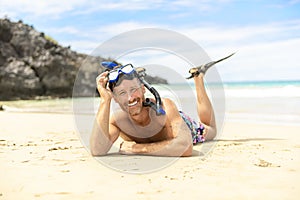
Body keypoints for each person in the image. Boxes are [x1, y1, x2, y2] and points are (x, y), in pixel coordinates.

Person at [90, 63, 217, 157]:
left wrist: (136, 148)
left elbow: (185, 146)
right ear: (115, 98)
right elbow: (97, 149)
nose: (130, 98)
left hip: (182, 124)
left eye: (134, 89)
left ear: (143, 89)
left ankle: (198, 77)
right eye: (122, 92)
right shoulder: (118, 121)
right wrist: (104, 100)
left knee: (211, 130)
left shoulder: (165, 106)